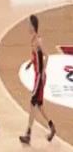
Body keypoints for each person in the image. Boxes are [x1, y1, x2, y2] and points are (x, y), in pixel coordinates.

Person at [19, 15, 56, 144]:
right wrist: (31, 63)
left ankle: (28, 134)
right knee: (39, 105)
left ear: (33, 26)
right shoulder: (34, 40)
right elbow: (37, 57)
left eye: (28, 24)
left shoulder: (37, 41)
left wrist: (43, 71)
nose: (27, 27)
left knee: (32, 103)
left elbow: (47, 55)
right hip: (38, 76)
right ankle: (52, 127)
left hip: (39, 77)